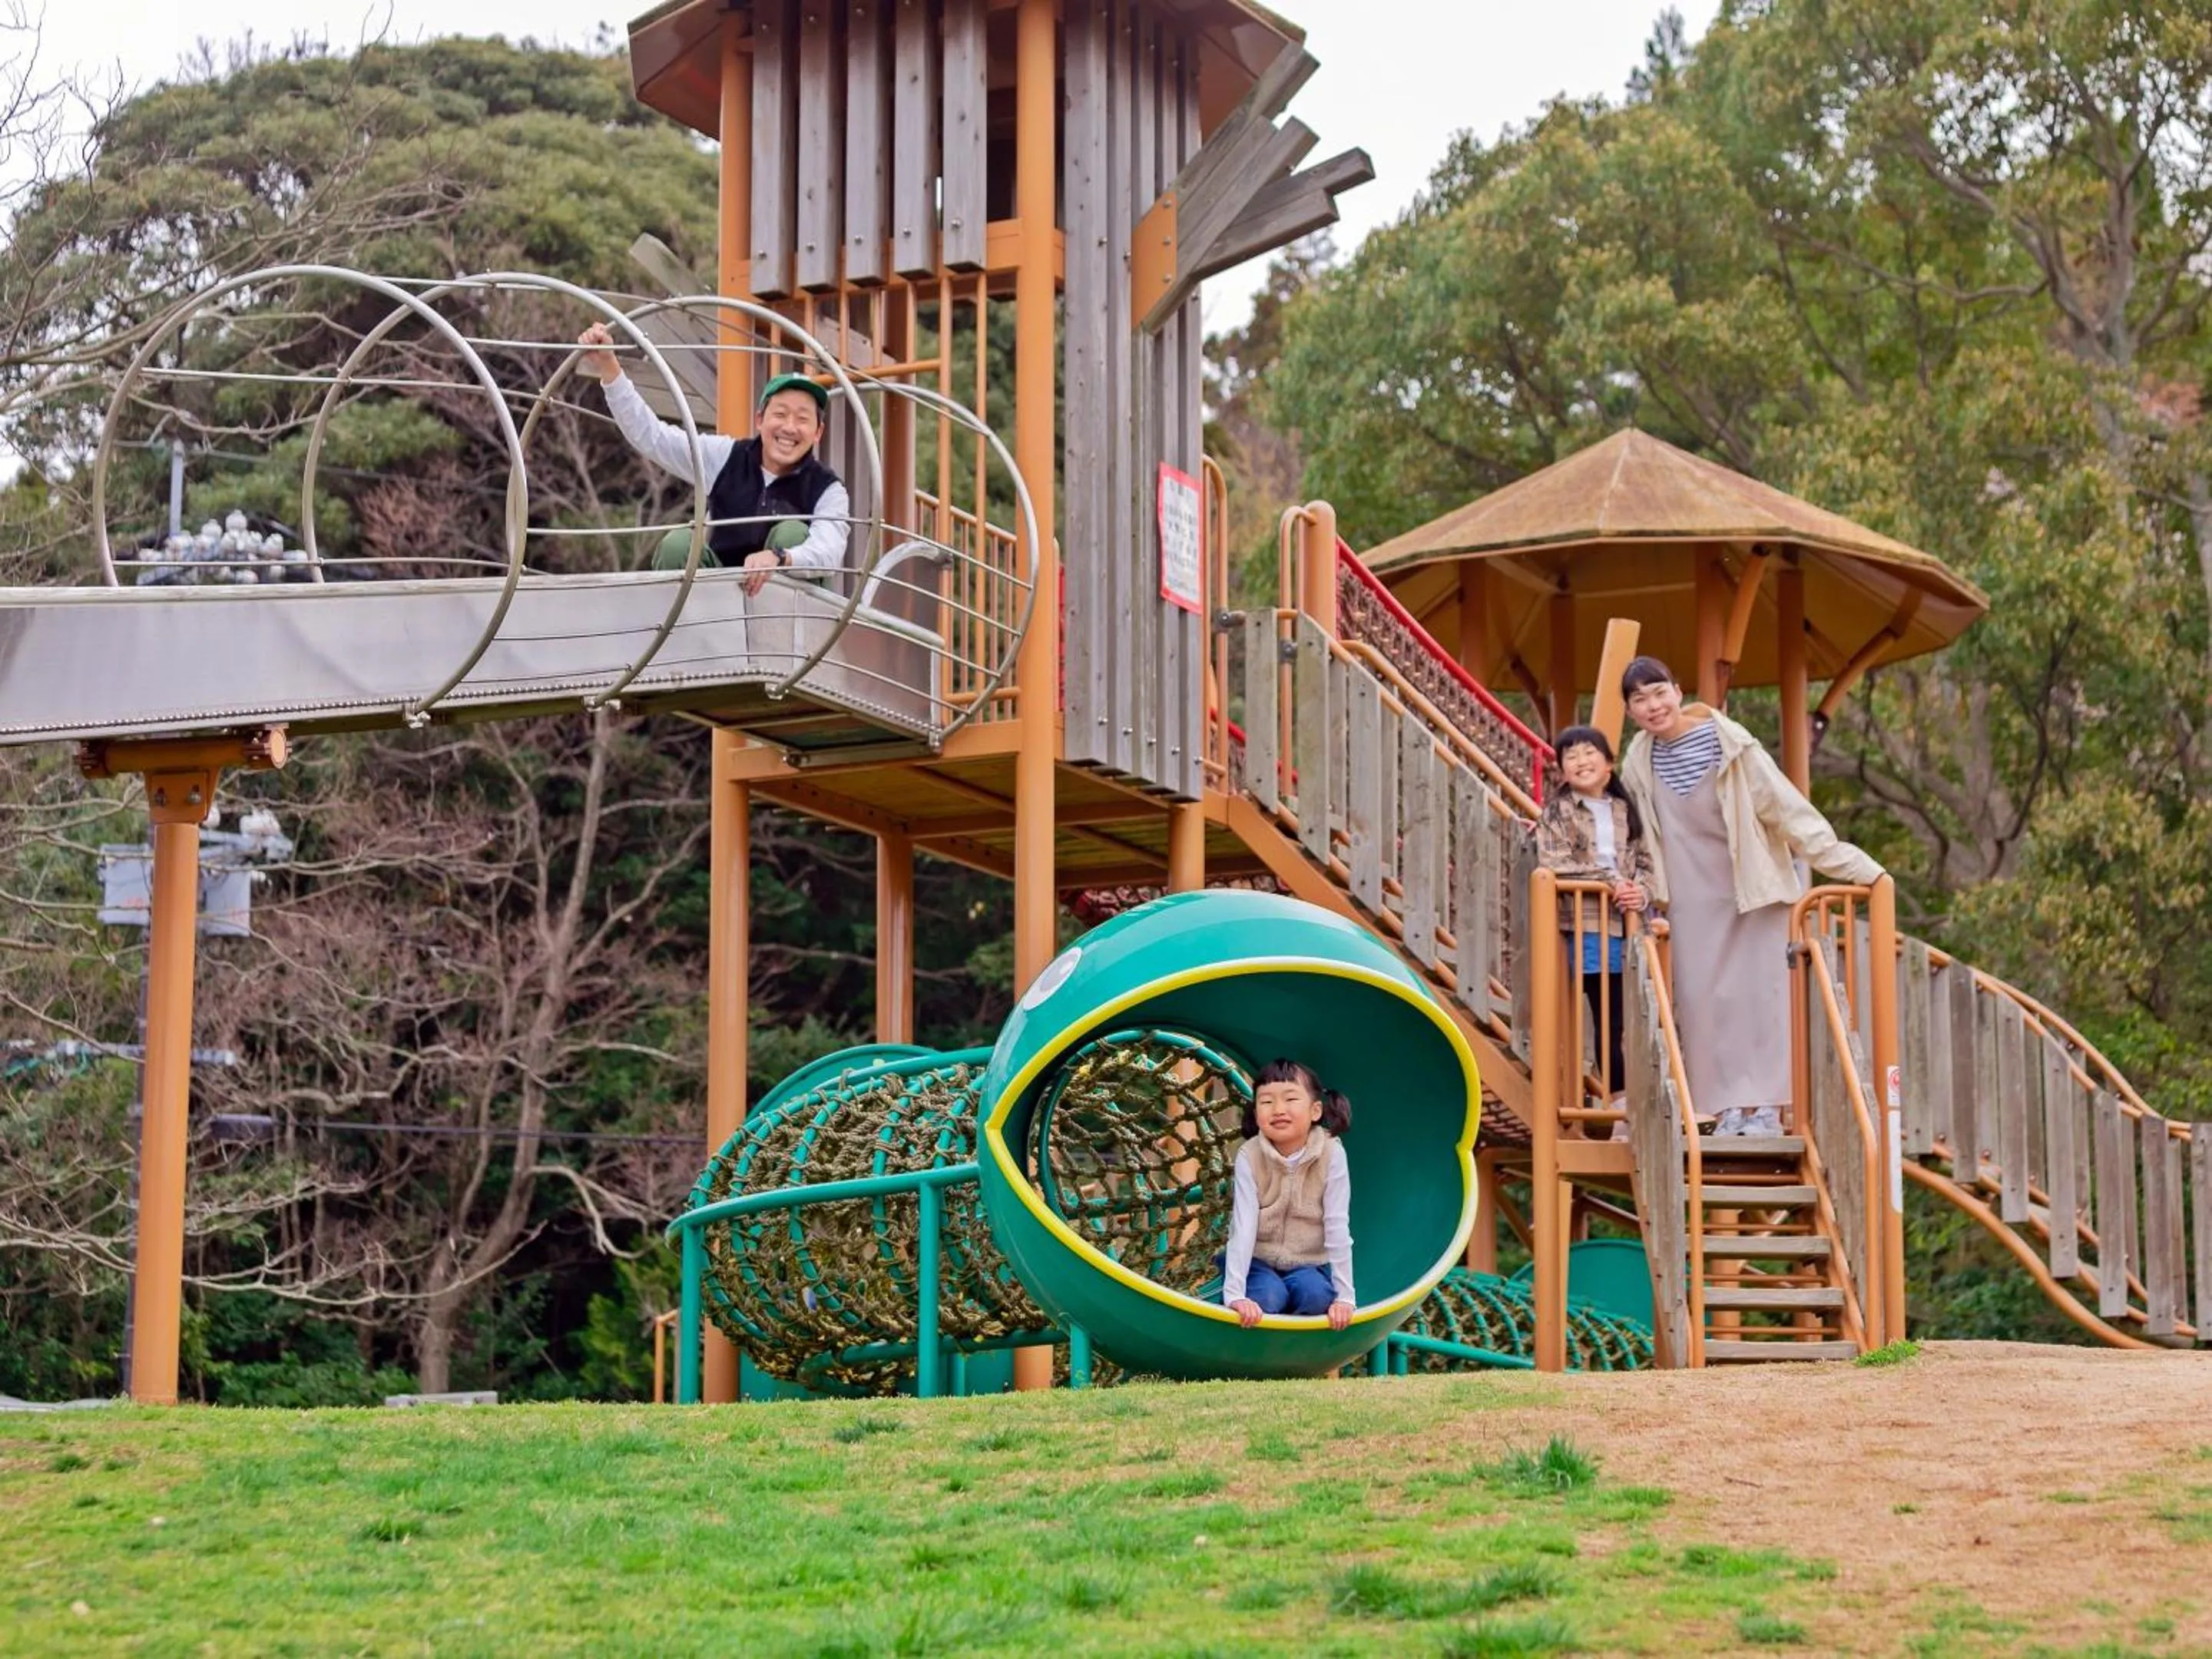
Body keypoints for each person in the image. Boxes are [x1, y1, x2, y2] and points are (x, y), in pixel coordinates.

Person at [1617, 656, 1883, 1136]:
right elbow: (1626, 829)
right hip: (1691, 897)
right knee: (1701, 1002)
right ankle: (1723, 1109)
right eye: (1639, 700)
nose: (1653, 706)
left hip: (1754, 888)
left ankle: (1762, 1109)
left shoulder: (1731, 744)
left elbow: (1788, 812)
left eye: (1659, 693)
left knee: (1762, 998)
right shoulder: (1637, 762)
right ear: (1631, 712)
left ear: (1678, 691)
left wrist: (1859, 868)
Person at [575, 322, 850, 595]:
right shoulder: (726, 457)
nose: (789, 428)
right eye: (780, 415)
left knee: (792, 533)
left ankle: (778, 633)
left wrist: (780, 557)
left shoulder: (828, 489)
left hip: (789, 618)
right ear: (760, 420)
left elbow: (829, 550)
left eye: (802, 419)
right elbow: (653, 437)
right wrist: (609, 368)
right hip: (720, 602)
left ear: (818, 432)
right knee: (678, 544)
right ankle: (678, 633)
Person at [1532, 724, 1655, 1122]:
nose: (1581, 761)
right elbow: (1554, 863)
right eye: (1571, 756)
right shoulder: (1558, 811)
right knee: (1608, 1014)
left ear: (1608, 764)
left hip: (1631, 925)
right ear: (1562, 771)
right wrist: (1610, 882)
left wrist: (1640, 891)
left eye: (1589, 753)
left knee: (1632, 1016)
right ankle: (1619, 1107)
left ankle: (1639, 1102)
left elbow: (1647, 866)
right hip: (1588, 922)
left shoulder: (1625, 810)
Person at [1222, 1059, 1355, 1331]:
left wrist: (1345, 1298)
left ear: (1315, 1110)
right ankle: (1260, 1353)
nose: (1278, 1110)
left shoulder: (1331, 1154)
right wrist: (1235, 1294)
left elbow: (1337, 1224)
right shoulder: (1251, 1155)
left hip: (1307, 1263)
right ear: (1256, 1112)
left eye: (1291, 1098)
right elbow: (1244, 1225)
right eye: (1267, 1102)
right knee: (1267, 1298)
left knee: (1317, 1297)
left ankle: (1297, 1354)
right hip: (1257, 1262)